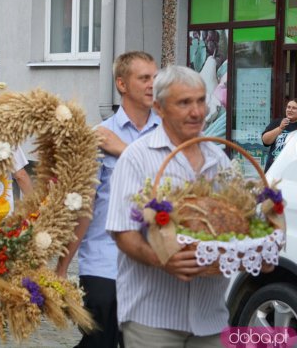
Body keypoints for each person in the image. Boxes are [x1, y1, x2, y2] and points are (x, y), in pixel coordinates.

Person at [105, 65, 273, 347]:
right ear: (159, 107)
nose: (197, 112)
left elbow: (242, 222)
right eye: (184, 103)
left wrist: (260, 249)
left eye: (200, 100)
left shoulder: (218, 158)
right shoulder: (137, 157)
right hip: (152, 318)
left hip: (210, 317)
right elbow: (123, 232)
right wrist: (161, 258)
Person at [56, 51, 160, 348]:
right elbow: (85, 208)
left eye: (155, 77)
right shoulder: (99, 137)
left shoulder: (168, 136)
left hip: (151, 266)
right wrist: (62, 268)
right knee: (99, 341)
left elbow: (172, 190)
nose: (152, 84)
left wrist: (125, 151)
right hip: (103, 263)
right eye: (144, 78)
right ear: (122, 84)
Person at [262, 99, 297, 172]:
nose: (290, 110)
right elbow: (265, 141)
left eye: (294, 108)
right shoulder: (277, 122)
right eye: (288, 107)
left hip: (291, 171)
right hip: (273, 169)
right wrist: (280, 128)